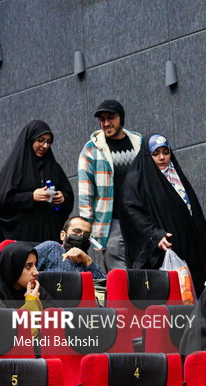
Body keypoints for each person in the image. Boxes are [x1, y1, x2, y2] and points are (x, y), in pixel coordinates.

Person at [120, 134, 206, 295]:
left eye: (165, 152)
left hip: (190, 250)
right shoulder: (135, 181)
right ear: (147, 155)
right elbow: (132, 213)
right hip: (162, 253)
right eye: (156, 153)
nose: (162, 157)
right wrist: (154, 235)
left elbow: (195, 214)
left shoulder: (176, 175)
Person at [0, 120, 74, 258]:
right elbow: (1, 199)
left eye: (48, 142)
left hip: (49, 236)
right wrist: (31, 197)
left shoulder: (54, 167)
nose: (45, 145)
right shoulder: (15, 168)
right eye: (40, 140)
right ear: (30, 140)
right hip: (23, 236)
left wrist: (62, 198)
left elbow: (68, 197)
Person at [78, 99, 143, 271]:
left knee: (145, 268)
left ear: (121, 118)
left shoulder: (139, 143)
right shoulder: (91, 149)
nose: (106, 123)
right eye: (102, 120)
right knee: (118, 272)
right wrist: (86, 226)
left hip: (141, 218)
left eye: (111, 118)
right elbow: (86, 192)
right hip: (111, 222)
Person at [0, 241, 50, 312]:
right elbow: (2, 322)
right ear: (12, 268)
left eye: (35, 265)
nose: (36, 272)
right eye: (28, 266)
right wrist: (31, 305)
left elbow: (57, 319)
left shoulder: (35, 291)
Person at [35, 216, 105, 279]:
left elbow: (104, 286)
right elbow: (26, 267)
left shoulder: (88, 262)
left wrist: (87, 261)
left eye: (86, 235)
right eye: (77, 232)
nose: (81, 237)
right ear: (63, 235)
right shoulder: (51, 248)